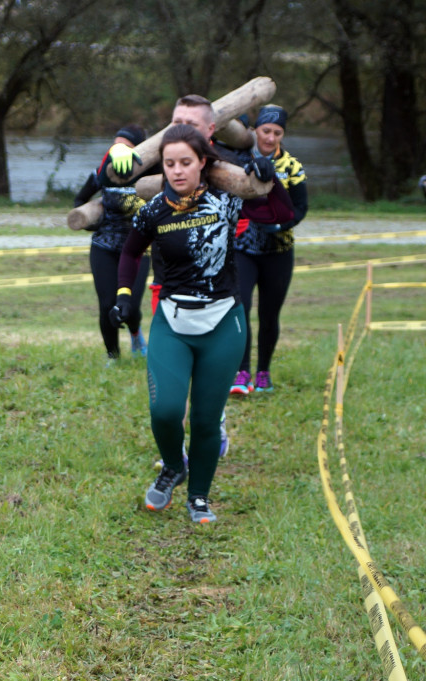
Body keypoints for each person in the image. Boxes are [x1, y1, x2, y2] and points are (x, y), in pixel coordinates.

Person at [111, 124, 293, 523]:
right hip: (172, 323)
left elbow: (284, 214)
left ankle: (199, 496)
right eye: (170, 163)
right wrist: (124, 295)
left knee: (206, 420)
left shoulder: (227, 200)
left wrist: (270, 179)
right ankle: (174, 466)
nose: (177, 171)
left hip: (223, 325)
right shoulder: (154, 209)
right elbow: (129, 254)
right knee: (165, 411)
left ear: (203, 163)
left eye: (185, 163)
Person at [230, 105, 308, 395]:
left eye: (277, 133)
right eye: (266, 131)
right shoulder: (239, 161)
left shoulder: (292, 166)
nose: (271, 137)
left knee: (269, 314)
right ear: (254, 131)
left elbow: (301, 209)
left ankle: (263, 372)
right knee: (240, 309)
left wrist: (282, 225)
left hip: (279, 251)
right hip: (243, 249)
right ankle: (242, 372)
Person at [74, 125, 150, 363]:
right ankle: (112, 355)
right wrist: (91, 222)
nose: (118, 149)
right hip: (105, 246)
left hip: (139, 247)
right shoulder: (104, 171)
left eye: (125, 145)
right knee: (107, 303)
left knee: (131, 305)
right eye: (115, 144)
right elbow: (79, 199)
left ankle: (136, 334)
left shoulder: (151, 172)